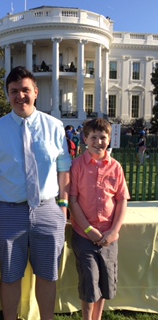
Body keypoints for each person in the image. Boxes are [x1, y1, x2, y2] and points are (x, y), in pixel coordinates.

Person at [0, 66, 71, 320]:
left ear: (36, 92)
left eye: (25, 90)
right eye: (13, 91)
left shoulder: (54, 126)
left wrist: (62, 206)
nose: (20, 96)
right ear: (7, 95)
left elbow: (63, 167)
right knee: (10, 277)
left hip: (47, 210)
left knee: (47, 275)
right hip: (9, 213)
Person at [69, 118, 130, 320]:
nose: (98, 142)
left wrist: (113, 231)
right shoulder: (77, 165)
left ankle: (97, 317)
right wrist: (88, 230)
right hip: (84, 236)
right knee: (89, 282)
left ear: (109, 139)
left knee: (104, 282)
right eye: (93, 137)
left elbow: (121, 200)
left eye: (102, 137)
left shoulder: (116, 167)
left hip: (109, 238)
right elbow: (73, 200)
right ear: (85, 138)